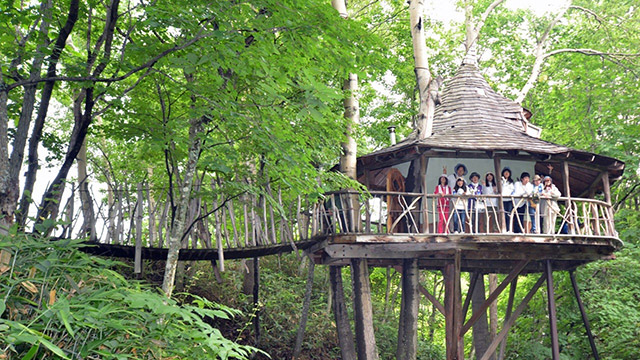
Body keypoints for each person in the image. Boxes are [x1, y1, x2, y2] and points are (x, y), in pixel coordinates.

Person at [501, 167, 515, 232]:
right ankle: (504, 229)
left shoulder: (511, 182)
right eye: (505, 172)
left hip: (509, 200)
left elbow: (513, 190)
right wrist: (503, 182)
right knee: (503, 215)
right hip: (502, 200)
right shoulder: (500, 181)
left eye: (508, 172)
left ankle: (509, 229)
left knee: (509, 215)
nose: (506, 173)